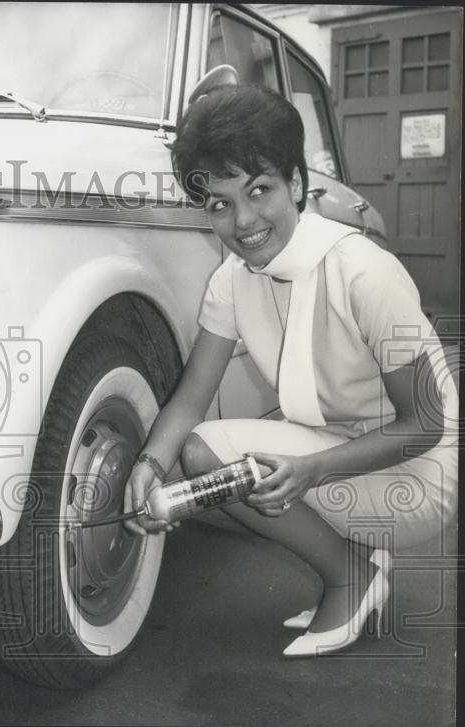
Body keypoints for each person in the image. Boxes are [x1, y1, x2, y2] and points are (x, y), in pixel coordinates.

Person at [122, 84, 458, 657]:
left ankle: (347, 578)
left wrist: (312, 469)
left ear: (297, 184)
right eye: (220, 203)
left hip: (420, 472)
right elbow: (190, 399)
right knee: (193, 467)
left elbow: (425, 424)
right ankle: (354, 560)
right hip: (332, 446)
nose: (243, 220)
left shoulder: (364, 273)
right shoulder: (232, 279)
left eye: (259, 191)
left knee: (225, 470)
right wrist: (148, 466)